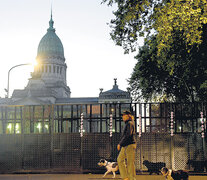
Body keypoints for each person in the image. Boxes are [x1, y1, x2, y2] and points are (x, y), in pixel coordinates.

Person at [117, 110, 136, 180]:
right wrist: (121, 144)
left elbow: (128, 135)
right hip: (125, 145)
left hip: (130, 145)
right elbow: (126, 135)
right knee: (120, 160)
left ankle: (132, 178)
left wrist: (120, 143)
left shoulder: (130, 123)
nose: (123, 117)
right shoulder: (127, 124)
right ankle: (125, 177)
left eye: (124, 115)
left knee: (130, 163)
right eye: (122, 115)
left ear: (128, 116)